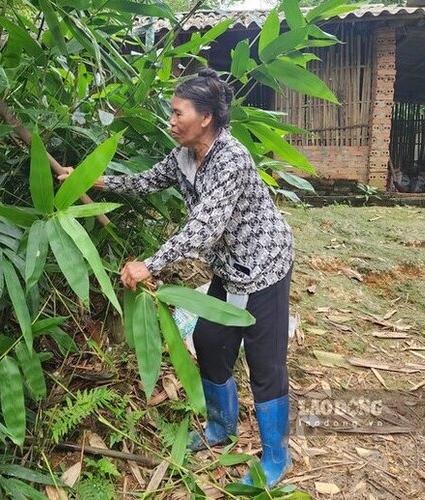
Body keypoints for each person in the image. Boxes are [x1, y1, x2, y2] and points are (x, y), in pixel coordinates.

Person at [58, 68, 294, 488]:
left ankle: (277, 456)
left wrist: (151, 264)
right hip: (228, 267)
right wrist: (95, 179)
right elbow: (145, 182)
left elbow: (205, 226)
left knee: (265, 362)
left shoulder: (232, 158)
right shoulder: (184, 156)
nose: (170, 120)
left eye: (177, 112)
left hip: (264, 266)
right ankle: (223, 427)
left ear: (205, 117)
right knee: (209, 341)